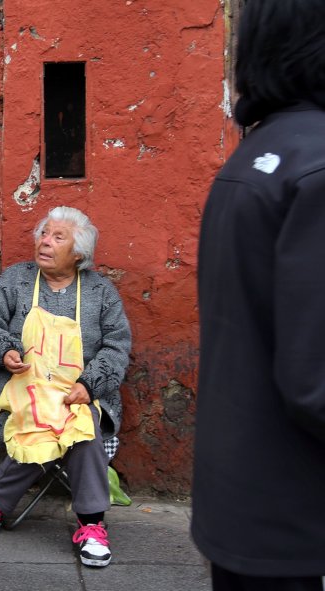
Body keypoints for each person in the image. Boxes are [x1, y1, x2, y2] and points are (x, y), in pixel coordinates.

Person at [193, 1, 325, 589]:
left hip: (244, 508)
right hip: (301, 523)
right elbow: (316, 380)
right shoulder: (315, 164)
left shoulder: (254, 156)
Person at [0, 206, 131, 567]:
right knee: (48, 419)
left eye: (58, 237)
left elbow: (117, 347)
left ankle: (89, 524)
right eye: (44, 233)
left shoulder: (101, 293)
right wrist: (5, 350)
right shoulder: (15, 281)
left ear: (79, 253)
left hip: (78, 393)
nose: (45, 242)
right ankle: (6, 500)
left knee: (80, 423)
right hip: (18, 390)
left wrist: (90, 385)